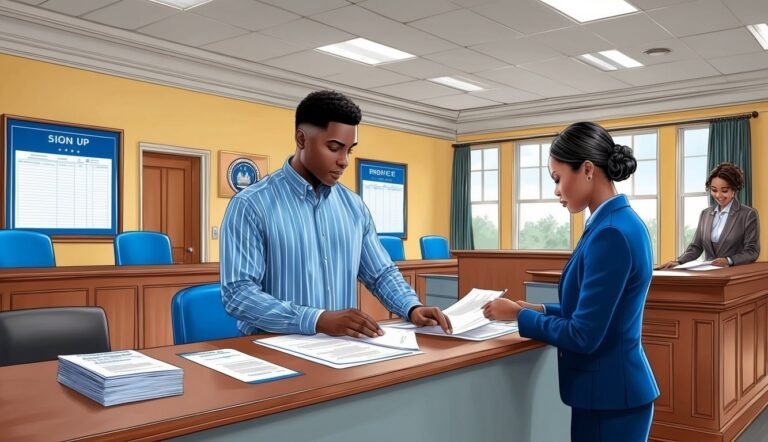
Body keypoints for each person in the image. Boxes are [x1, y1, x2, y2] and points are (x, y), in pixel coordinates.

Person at [220, 90, 450, 339]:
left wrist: (411, 306)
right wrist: (316, 319)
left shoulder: (353, 207)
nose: (344, 161)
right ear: (301, 139)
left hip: (341, 350)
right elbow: (238, 293)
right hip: (274, 350)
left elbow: (381, 273)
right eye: (334, 148)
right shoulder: (250, 205)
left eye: (349, 150)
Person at [482, 122, 659, 442]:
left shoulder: (611, 233)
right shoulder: (615, 222)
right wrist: (537, 308)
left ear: (588, 169)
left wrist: (519, 316)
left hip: (610, 397)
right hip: (610, 392)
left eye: (557, 178)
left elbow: (584, 334)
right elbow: (594, 311)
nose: (556, 190)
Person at [657, 162, 759, 269]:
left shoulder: (747, 214)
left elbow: (752, 251)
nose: (718, 195)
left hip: (733, 272)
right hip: (709, 273)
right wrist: (679, 262)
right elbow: (696, 247)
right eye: (714, 190)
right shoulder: (705, 214)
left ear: (734, 190)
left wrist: (728, 260)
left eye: (724, 191)